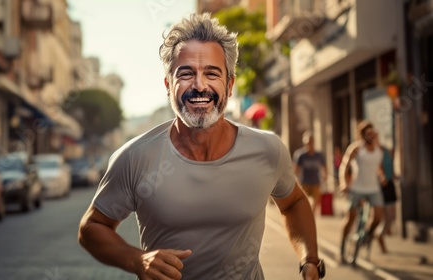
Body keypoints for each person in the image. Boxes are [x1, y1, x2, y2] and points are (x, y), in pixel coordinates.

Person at [78, 13, 324, 280]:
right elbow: (91, 227)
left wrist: (309, 261)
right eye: (186, 73)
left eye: (212, 73)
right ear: (168, 85)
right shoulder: (135, 157)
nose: (199, 85)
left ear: (229, 85)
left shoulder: (267, 150)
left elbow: (294, 202)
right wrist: (136, 259)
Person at [339, 120, 385, 263]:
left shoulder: (378, 149)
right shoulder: (356, 148)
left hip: (373, 189)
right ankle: (342, 246)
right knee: (351, 217)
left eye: (373, 132)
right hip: (357, 188)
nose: (371, 135)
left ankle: (366, 237)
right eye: (368, 133)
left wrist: (381, 175)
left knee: (378, 217)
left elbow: (376, 165)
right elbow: (344, 166)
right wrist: (343, 183)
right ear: (363, 135)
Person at [293, 132, 327, 215]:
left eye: (311, 142)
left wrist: (325, 176)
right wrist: (296, 180)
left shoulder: (319, 155)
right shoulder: (301, 155)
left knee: (315, 202)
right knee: (304, 202)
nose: (309, 144)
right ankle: (305, 216)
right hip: (304, 182)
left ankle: (311, 216)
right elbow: (296, 168)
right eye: (307, 143)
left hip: (316, 182)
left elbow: (324, 166)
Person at [377, 140, 398, 254]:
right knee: (385, 216)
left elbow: (391, 167)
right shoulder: (374, 153)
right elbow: (377, 169)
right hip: (381, 185)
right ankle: (379, 235)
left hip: (390, 183)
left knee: (392, 215)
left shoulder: (386, 151)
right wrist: (381, 177)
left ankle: (380, 234)